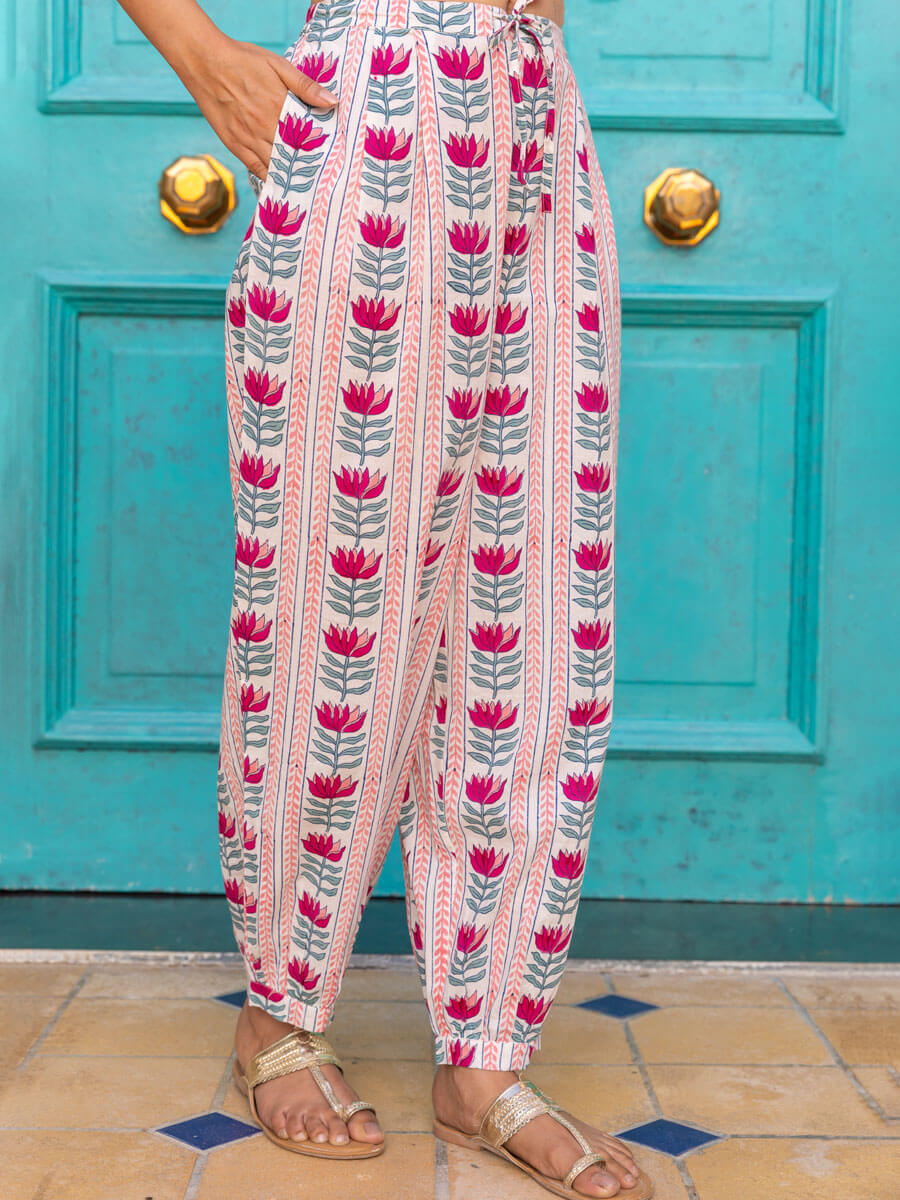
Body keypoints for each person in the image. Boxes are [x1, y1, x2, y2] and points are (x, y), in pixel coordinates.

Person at [118, 0, 650, 1194]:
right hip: (377, 112)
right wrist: (201, 56)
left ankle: (487, 1056)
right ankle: (279, 1011)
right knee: (336, 610)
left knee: (535, 612)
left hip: (539, 127)